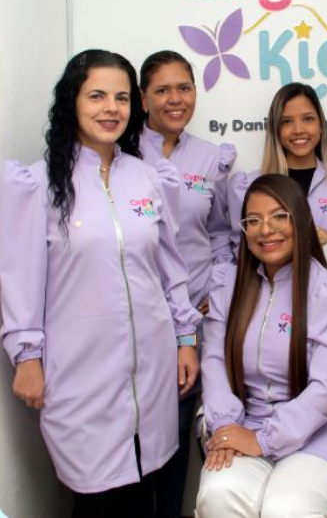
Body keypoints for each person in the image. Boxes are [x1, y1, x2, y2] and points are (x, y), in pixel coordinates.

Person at [0, 50, 200, 518]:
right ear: (72, 101)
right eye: (97, 96)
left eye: (121, 98)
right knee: (98, 499)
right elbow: (19, 280)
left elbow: (171, 269)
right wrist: (26, 357)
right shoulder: (38, 185)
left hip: (152, 370)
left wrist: (186, 338)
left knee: (148, 489)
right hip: (80, 373)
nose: (111, 108)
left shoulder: (150, 178)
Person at [196, 174, 327, 518]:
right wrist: (225, 427)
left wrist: (265, 440)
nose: (266, 229)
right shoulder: (227, 288)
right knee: (218, 496)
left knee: (287, 507)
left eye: (279, 216)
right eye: (253, 220)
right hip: (249, 423)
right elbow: (215, 362)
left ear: (301, 221)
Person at [139, 50, 236, 518]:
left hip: (192, 318)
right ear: (143, 99)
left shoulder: (211, 158)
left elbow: (220, 234)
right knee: (135, 431)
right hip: (139, 314)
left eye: (183, 88)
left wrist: (214, 292)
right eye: (162, 90)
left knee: (179, 428)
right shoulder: (123, 152)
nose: (175, 99)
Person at [228, 82, 327, 254]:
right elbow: (241, 253)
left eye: (308, 119)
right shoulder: (247, 186)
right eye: (287, 121)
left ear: (320, 125)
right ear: (276, 129)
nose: (298, 130)